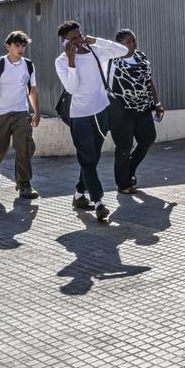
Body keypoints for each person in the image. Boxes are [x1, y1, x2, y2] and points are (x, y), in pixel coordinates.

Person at [54, 21, 129, 222]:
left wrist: (98, 41)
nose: (79, 41)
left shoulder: (96, 51)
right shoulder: (61, 61)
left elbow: (122, 50)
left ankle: (79, 194)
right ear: (65, 43)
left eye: (79, 35)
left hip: (102, 110)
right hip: (80, 116)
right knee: (87, 159)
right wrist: (71, 62)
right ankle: (98, 202)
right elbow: (72, 88)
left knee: (93, 157)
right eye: (73, 39)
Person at [0, 31, 41, 200]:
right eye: (17, 46)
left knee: (25, 147)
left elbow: (32, 90)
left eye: (23, 46)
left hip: (21, 111)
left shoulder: (28, 65)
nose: (21, 49)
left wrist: (36, 112)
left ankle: (24, 184)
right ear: (8, 46)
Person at [107, 29, 165, 194]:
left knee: (148, 138)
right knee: (124, 146)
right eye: (128, 42)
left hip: (143, 107)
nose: (132, 44)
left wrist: (157, 103)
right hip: (121, 110)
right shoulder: (112, 60)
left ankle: (129, 170)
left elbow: (149, 81)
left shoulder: (141, 57)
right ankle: (123, 184)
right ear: (119, 45)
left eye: (133, 41)